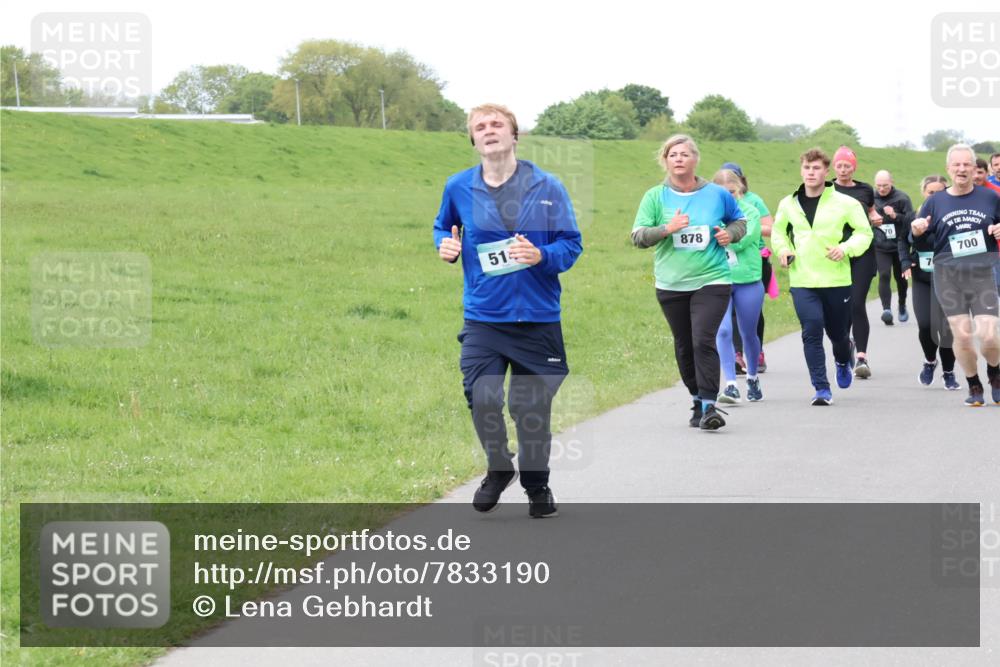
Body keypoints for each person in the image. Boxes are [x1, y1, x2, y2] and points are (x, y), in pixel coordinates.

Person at [433, 103, 582, 517]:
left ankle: (537, 488)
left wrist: (541, 255)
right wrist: (445, 245)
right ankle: (499, 467)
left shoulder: (547, 186)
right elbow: (444, 226)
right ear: (474, 140)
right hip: (484, 315)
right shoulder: (458, 187)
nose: (488, 129)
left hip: (537, 317)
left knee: (530, 411)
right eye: (480, 126)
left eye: (497, 123)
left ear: (514, 135)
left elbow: (571, 244)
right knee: (481, 396)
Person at [631, 135, 747, 429]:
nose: (679, 158)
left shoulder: (717, 194)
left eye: (684, 154)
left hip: (712, 278)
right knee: (684, 345)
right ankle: (696, 398)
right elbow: (638, 237)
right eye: (673, 154)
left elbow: (739, 221)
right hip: (671, 283)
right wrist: (666, 229)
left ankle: (710, 406)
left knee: (702, 340)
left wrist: (729, 234)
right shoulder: (654, 197)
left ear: (695, 159)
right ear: (666, 161)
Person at [771, 148, 873, 405]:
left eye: (816, 168)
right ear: (801, 170)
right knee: (812, 329)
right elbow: (778, 233)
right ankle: (821, 388)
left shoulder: (845, 203)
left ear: (826, 172)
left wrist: (846, 248)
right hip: (803, 280)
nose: (811, 172)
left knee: (838, 336)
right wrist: (783, 250)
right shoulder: (788, 203)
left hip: (836, 280)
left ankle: (842, 358)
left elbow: (864, 233)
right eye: (807, 167)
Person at [911, 144, 1000, 406]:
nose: (962, 169)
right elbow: (919, 239)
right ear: (949, 168)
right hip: (948, 276)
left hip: (983, 274)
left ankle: (994, 372)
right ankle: (973, 384)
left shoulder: (990, 198)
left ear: (975, 169)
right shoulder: (935, 201)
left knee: (989, 336)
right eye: (956, 165)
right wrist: (916, 231)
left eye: (967, 164)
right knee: (961, 336)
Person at [900, 175, 960, 390]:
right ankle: (929, 361)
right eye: (930, 192)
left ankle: (948, 372)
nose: (935, 196)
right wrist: (905, 261)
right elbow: (902, 240)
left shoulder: (952, 217)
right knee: (925, 325)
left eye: (940, 192)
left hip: (948, 278)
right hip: (922, 278)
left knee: (944, 328)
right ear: (924, 193)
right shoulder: (912, 216)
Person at [712, 169, 764, 403]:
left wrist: (724, 239)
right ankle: (731, 384)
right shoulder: (711, 213)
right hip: (719, 278)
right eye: (723, 194)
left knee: (747, 333)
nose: (729, 198)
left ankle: (752, 376)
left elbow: (745, 240)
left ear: (740, 189)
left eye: (732, 192)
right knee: (722, 330)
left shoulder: (750, 212)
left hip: (748, 280)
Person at [831, 146, 879, 378]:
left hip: (862, 252)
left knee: (857, 302)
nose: (842, 169)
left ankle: (862, 357)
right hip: (835, 253)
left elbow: (871, 211)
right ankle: (845, 346)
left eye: (847, 165)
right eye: (839, 165)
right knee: (841, 305)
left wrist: (875, 217)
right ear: (833, 167)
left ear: (854, 167)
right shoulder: (827, 189)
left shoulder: (864, 189)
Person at [722, 161, 774, 374]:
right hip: (726, 264)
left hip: (755, 260)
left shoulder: (753, 202)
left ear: (741, 181)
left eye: (734, 179)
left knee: (751, 314)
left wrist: (744, 230)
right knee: (729, 315)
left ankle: (756, 351)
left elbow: (770, 228)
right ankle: (736, 354)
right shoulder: (718, 203)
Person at [872, 170, 913, 325]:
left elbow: (911, 221)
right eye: (879, 186)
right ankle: (886, 310)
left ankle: (902, 304)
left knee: (900, 278)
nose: (881, 189)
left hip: (899, 245)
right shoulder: (872, 198)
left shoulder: (902, 198)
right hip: (880, 244)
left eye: (885, 186)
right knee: (883, 275)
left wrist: (895, 216)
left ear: (892, 182)